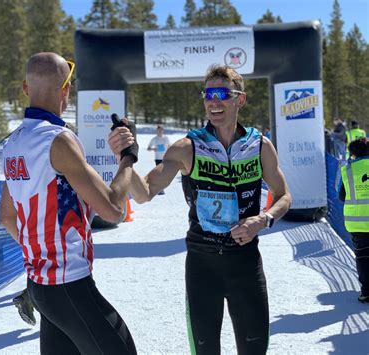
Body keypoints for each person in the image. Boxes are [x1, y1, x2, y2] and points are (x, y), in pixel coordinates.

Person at [109, 65, 292, 354]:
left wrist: (263, 219)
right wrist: (125, 158)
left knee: (255, 349)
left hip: (245, 263)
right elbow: (144, 194)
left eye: (221, 94)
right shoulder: (188, 147)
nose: (213, 102)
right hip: (202, 265)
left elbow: (284, 196)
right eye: (207, 94)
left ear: (240, 99)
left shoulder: (259, 145)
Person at [0, 52, 137, 354]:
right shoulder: (58, 139)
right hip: (69, 285)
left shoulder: (13, 143)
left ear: (25, 88)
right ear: (67, 89)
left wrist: (40, 250)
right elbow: (113, 209)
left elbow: (7, 217)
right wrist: (128, 158)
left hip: (40, 285)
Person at [339, 137, 369, 304]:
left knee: (363, 257)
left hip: (357, 222)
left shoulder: (348, 170)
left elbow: (341, 196)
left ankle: (366, 292)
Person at [147, 125, 170, 195]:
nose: (160, 131)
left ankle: (161, 188)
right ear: (157, 131)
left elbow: (169, 146)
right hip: (158, 159)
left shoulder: (166, 138)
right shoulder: (154, 139)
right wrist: (154, 149)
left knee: (164, 174)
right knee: (159, 174)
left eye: (161, 130)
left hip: (165, 158)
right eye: (159, 130)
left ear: (163, 131)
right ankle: (160, 189)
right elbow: (148, 148)